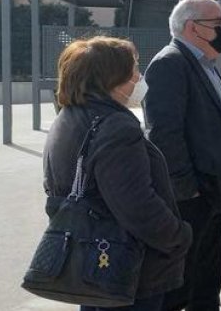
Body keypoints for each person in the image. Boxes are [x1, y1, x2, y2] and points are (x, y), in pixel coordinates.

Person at [42, 37, 193, 311]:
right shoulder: (117, 127)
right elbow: (137, 205)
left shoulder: (70, 116)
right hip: (124, 265)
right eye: (134, 68)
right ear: (113, 77)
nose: (139, 77)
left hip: (92, 261)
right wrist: (179, 235)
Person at [144, 0, 221, 311]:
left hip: (213, 198)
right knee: (181, 286)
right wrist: (189, 192)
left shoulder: (204, 64)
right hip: (193, 202)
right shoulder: (170, 64)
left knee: (207, 281)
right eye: (218, 23)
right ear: (193, 27)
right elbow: (163, 135)